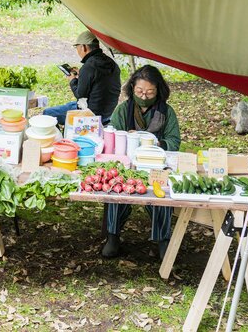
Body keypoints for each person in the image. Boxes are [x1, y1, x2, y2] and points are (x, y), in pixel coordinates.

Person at [102, 65, 181, 260]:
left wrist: (157, 143)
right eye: (140, 91)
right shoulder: (123, 110)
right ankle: (112, 236)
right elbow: (113, 137)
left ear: (158, 90)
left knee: (162, 196)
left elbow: (175, 141)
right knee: (115, 189)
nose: (144, 96)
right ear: (132, 89)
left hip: (157, 167)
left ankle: (163, 240)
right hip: (128, 166)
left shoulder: (166, 112)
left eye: (149, 92)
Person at [43, 30, 121, 126]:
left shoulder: (89, 67)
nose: (77, 50)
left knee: (48, 113)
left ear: (83, 47)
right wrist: (82, 76)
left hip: (90, 114)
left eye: (77, 47)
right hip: (108, 113)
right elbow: (100, 83)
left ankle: (60, 140)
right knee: (70, 105)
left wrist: (72, 80)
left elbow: (80, 95)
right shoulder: (111, 63)